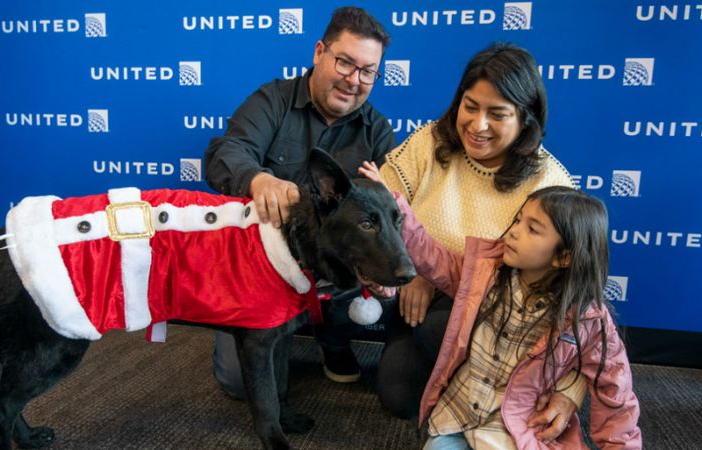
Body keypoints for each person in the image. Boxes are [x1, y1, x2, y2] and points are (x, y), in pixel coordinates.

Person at [375, 42, 583, 433]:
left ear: (526, 119)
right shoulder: (428, 142)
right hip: (418, 300)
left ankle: (508, 395)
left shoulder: (551, 182)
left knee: (438, 330)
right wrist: (412, 270)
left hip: (503, 320)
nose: (478, 125)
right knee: (398, 394)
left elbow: (582, 302)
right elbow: (380, 206)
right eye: (470, 106)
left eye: (497, 114)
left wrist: (571, 388)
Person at [361, 167, 642, 449]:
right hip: (457, 417)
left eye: (532, 229)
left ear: (564, 257)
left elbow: (616, 395)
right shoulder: (483, 273)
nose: (514, 232)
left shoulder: (589, 320)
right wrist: (392, 205)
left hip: (516, 430)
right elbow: (431, 256)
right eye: (518, 220)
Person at [203, 6, 396, 399]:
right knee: (239, 384)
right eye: (345, 62)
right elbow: (228, 151)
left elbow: (396, 208)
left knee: (386, 262)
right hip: (260, 270)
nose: (353, 80)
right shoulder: (271, 100)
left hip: (332, 273)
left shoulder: (377, 130)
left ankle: (335, 339)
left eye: (368, 71)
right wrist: (258, 178)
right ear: (319, 52)